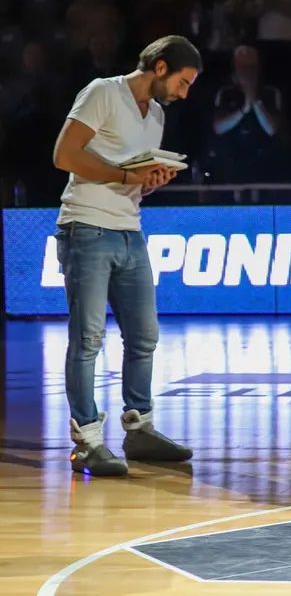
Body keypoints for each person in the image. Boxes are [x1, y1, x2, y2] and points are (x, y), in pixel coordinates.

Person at [51, 35, 203, 477]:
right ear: (159, 67)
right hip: (87, 227)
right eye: (182, 82)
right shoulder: (103, 92)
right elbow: (65, 155)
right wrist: (124, 174)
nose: (183, 93)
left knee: (144, 336)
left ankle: (138, 429)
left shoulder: (155, 113)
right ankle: (87, 440)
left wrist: (148, 180)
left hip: (129, 229)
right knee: (88, 340)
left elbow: (129, 174)